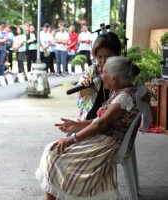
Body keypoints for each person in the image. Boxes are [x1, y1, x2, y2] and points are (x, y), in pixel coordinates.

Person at [36, 56, 141, 200]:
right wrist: (76, 124)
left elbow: (99, 124)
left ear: (115, 78)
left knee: (55, 153)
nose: (100, 76)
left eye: (104, 73)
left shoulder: (123, 98)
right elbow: (102, 120)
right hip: (105, 138)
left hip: (107, 143)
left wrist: (72, 139)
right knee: (55, 151)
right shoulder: (123, 91)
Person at [77, 32, 122, 121]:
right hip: (90, 120)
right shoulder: (93, 70)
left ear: (118, 54)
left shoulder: (125, 71)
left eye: (108, 56)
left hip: (113, 124)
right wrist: (84, 82)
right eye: (99, 57)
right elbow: (82, 79)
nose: (103, 61)